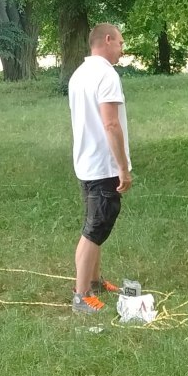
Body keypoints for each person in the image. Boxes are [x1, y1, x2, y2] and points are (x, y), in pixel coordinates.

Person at [67, 23, 132, 314]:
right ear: (107, 40)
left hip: (86, 162)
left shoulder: (79, 74)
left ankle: (94, 281)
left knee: (96, 223)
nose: (122, 49)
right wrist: (123, 167)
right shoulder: (107, 75)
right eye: (120, 43)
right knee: (95, 228)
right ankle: (81, 296)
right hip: (103, 165)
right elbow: (111, 123)